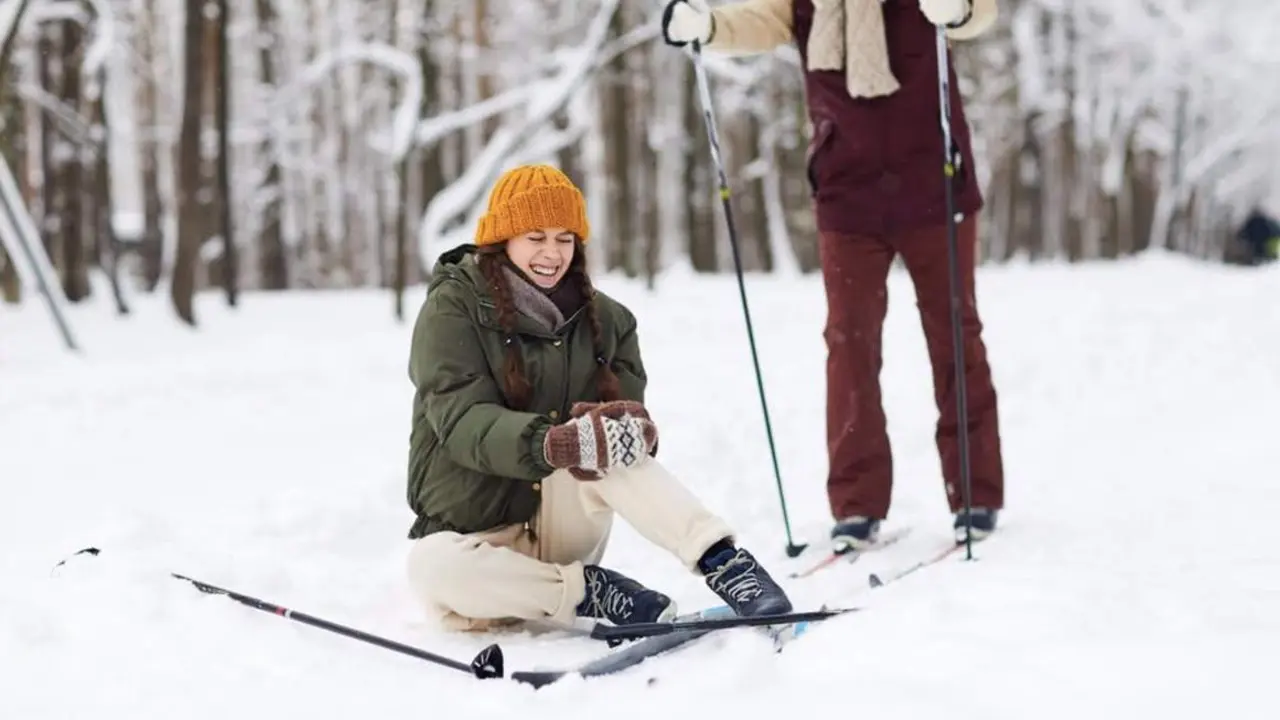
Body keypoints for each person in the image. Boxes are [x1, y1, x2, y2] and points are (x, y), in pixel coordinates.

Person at [660, 0, 1005, 549]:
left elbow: (980, 12)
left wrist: (958, 10)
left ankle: (975, 494)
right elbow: (760, 21)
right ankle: (857, 504)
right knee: (848, 344)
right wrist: (709, 27)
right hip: (847, 190)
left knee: (954, 333)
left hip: (933, 184)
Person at [403, 164, 793, 633]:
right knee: (428, 567)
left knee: (608, 444)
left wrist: (632, 430)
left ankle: (725, 563)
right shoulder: (453, 308)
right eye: (536, 237)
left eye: (564, 239)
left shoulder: (608, 322)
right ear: (503, 239)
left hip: (560, 531)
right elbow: (462, 420)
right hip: (478, 549)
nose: (552, 253)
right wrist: (552, 444)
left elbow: (624, 431)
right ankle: (590, 592)